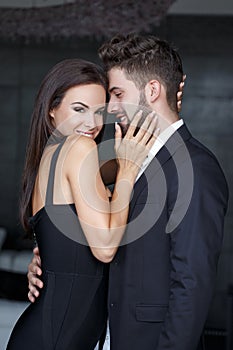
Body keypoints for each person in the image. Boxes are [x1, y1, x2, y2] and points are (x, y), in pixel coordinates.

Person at [28, 34, 229, 350]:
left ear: (151, 91)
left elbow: (192, 284)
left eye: (117, 94)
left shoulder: (195, 167)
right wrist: (51, 264)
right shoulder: (124, 160)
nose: (110, 109)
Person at [7, 58, 159, 350]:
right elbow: (103, 248)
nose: (91, 124)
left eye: (99, 112)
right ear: (52, 109)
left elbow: (126, 159)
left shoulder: (53, 156)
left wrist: (152, 111)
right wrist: (127, 171)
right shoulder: (78, 147)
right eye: (79, 109)